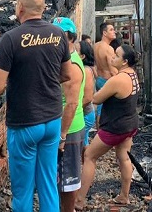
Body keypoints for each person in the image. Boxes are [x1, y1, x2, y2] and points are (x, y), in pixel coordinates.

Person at [0, 0, 81, 212]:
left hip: (25, 123)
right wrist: (44, 79)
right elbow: (67, 74)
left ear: (20, 8)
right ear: (43, 8)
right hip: (52, 120)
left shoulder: (10, 39)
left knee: (23, 190)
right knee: (48, 183)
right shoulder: (58, 34)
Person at [75, 44, 141, 209]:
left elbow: (96, 99)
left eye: (116, 56)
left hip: (115, 127)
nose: (112, 58)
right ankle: (124, 196)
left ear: (124, 61)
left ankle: (79, 200)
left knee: (90, 155)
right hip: (130, 124)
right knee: (124, 157)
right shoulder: (133, 75)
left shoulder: (117, 79)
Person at [52, 17, 90, 212]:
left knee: (68, 181)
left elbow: (72, 103)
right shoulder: (63, 61)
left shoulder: (72, 67)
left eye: (60, 36)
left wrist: (62, 136)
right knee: (61, 178)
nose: (55, 40)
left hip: (70, 131)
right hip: (66, 129)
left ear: (72, 38)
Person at [93, 22, 118, 125]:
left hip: (98, 79)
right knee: (107, 108)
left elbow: (93, 64)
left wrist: (96, 77)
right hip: (107, 80)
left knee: (100, 106)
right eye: (111, 30)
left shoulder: (95, 45)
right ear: (104, 33)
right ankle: (103, 130)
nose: (114, 32)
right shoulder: (109, 49)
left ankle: (100, 130)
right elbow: (113, 70)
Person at [79, 40, 97, 147]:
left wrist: (74, 111)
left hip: (85, 114)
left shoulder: (86, 70)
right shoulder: (83, 69)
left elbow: (88, 97)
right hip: (85, 112)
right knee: (83, 141)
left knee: (81, 142)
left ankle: (86, 161)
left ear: (82, 56)